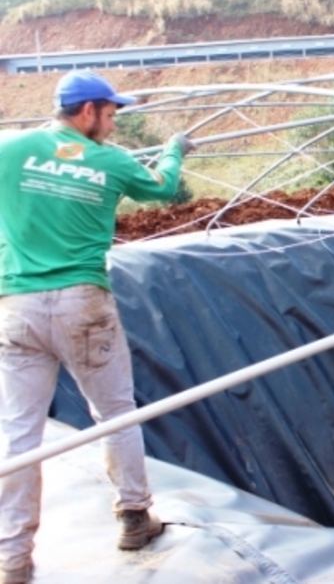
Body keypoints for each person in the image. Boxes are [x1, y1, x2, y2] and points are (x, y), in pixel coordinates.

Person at [0, 70, 195, 584]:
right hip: (83, 303)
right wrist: (175, 148)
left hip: (16, 306)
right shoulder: (111, 161)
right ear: (87, 112)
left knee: (19, 434)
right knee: (113, 412)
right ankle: (134, 516)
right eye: (110, 114)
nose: (112, 124)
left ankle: (12, 559)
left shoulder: (10, 150)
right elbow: (164, 188)